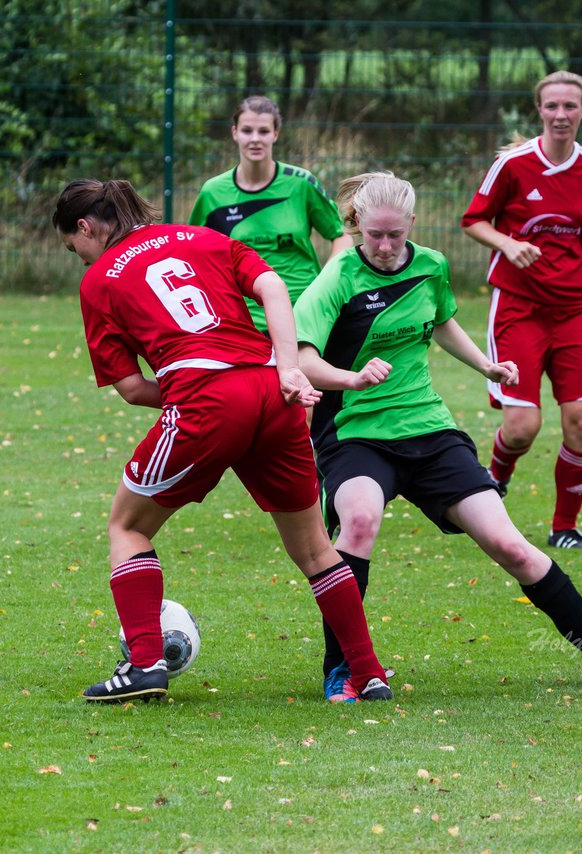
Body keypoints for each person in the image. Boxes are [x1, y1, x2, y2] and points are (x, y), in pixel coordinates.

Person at [292, 171, 582, 700]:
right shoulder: (337, 277)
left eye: (396, 234)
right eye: (376, 236)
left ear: (412, 224)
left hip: (428, 429)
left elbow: (441, 322)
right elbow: (301, 360)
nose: (387, 247)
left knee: (512, 545)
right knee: (360, 521)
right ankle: (340, 668)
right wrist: (351, 377)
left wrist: (487, 366)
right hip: (353, 433)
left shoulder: (431, 264)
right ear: (357, 227)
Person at [52, 178, 391, 704]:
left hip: (206, 399)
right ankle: (367, 675)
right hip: (271, 389)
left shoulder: (99, 280)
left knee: (127, 525)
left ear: (85, 227)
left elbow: (131, 387)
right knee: (315, 549)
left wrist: (203, 384)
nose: (81, 258)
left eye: (76, 250)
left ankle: (144, 665)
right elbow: (274, 287)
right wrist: (284, 367)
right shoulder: (200, 237)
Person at [461, 70, 582, 550]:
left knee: (581, 421)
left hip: (575, 309)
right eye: (552, 106)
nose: (561, 115)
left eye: (570, 106)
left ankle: (565, 527)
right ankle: (494, 478)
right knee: (521, 427)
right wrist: (508, 243)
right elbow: (473, 220)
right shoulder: (514, 165)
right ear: (539, 110)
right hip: (518, 306)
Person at [189, 95, 353, 333]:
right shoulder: (213, 192)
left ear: (275, 134)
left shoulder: (301, 183)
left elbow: (342, 236)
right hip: (243, 319)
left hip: (302, 313)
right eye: (247, 130)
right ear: (235, 133)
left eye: (263, 131)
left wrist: (324, 283)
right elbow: (194, 254)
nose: (255, 139)